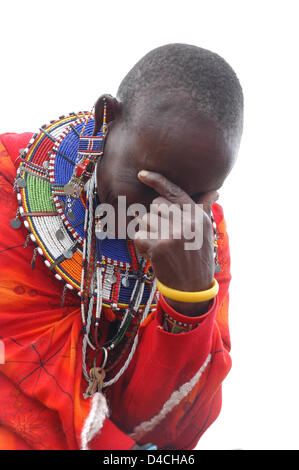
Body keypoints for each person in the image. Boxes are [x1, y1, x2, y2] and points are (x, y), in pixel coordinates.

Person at [0, 43, 243, 450]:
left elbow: (171, 434)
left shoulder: (200, 240)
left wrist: (188, 301)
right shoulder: (9, 177)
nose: (164, 217)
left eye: (196, 197)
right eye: (151, 182)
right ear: (107, 118)